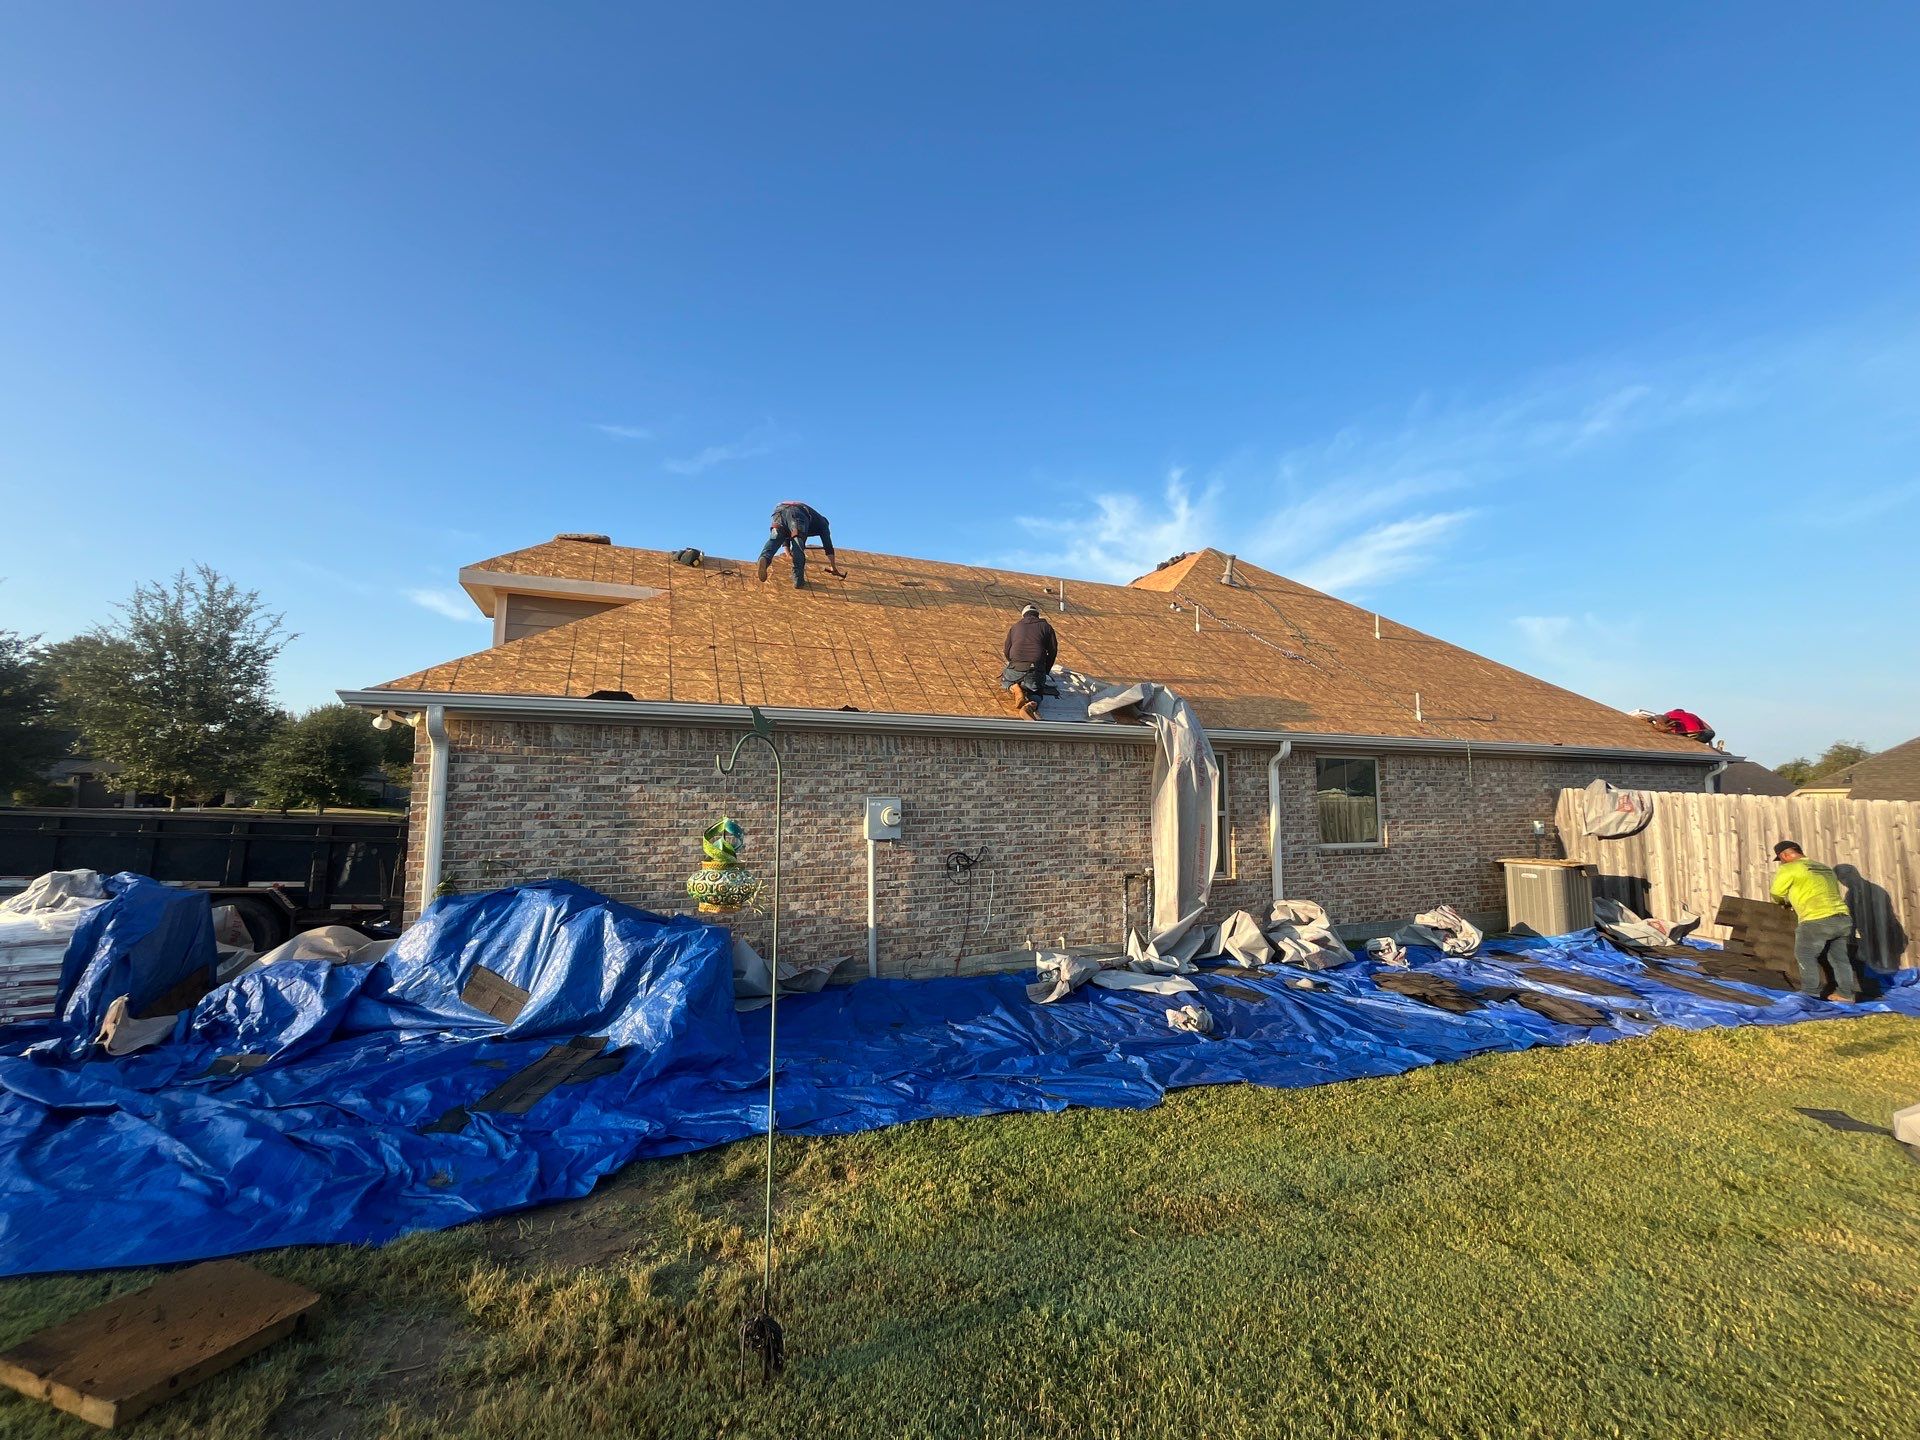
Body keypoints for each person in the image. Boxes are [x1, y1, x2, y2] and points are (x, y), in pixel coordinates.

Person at [1769, 840, 1859, 1002]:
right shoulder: (1824, 868)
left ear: (1784, 855)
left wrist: (1783, 902)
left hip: (1816, 918)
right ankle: (1846, 994)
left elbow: (1776, 892)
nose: (1781, 862)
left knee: (1805, 954)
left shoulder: (1789, 868)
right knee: (1839, 958)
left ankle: (1811, 993)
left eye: (1780, 858)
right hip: (1842, 918)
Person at [756, 502, 841, 588]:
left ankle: (764, 558)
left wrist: (788, 553)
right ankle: (798, 580)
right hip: (797, 514)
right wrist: (833, 567)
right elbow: (828, 546)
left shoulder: (814, 518)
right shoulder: (823, 524)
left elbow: (786, 535)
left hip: (779, 512)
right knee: (798, 544)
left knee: (775, 538)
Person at [1001, 603, 1058, 719]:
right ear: (1038, 615)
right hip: (1035, 669)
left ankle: (1014, 687)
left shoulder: (1015, 626)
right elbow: (1052, 651)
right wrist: (1045, 671)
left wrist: (1013, 663)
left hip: (1016, 668)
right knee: (1037, 691)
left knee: (1005, 679)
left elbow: (1006, 650)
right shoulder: (1046, 627)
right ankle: (1030, 705)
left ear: (1023, 615)